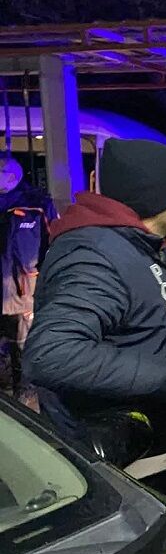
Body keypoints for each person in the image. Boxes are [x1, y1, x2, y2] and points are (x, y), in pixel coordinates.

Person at [25, 139, 166, 498]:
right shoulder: (94, 255)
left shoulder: (143, 245)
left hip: (154, 449)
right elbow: (51, 354)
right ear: (154, 195)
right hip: (123, 463)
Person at [0, 154, 55, 395]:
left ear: (11, 176)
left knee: (24, 348)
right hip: (7, 289)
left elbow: (54, 244)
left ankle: (26, 400)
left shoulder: (37, 205)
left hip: (23, 291)